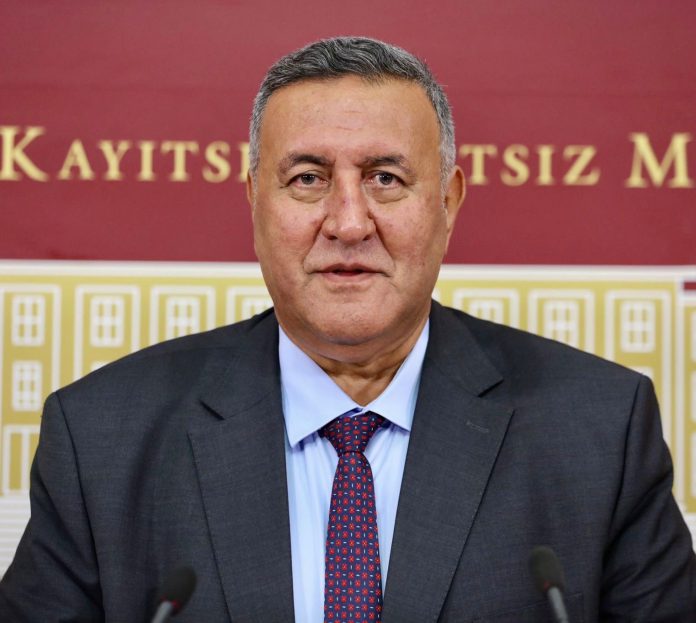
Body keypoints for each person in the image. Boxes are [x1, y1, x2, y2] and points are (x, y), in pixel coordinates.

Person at [1, 36, 695, 623]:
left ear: (448, 202)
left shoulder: (599, 432)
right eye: (307, 178)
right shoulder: (102, 440)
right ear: (254, 201)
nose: (349, 221)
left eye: (386, 178)